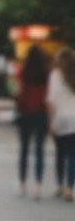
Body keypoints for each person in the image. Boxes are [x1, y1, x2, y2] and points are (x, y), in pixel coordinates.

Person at [16, 45, 49, 199]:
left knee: (24, 150)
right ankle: (38, 185)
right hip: (41, 114)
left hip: (25, 114)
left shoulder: (23, 72)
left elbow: (18, 91)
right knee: (39, 150)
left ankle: (23, 184)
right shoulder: (46, 74)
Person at [46, 48, 75, 202]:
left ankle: (60, 185)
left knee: (60, 154)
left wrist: (50, 122)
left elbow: (51, 101)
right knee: (72, 155)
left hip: (60, 119)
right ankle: (70, 188)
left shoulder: (55, 75)